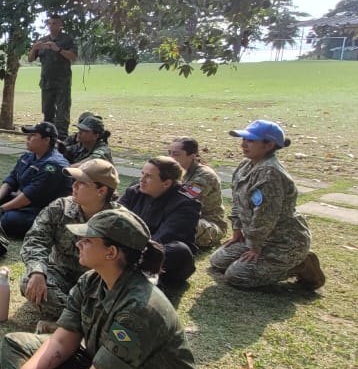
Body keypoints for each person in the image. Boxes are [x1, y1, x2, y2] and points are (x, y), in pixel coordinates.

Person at [0, 208, 198, 369]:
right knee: (15, 344)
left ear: (111, 252)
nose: (79, 243)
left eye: (88, 240)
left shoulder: (139, 306)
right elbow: (62, 341)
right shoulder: (92, 281)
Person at [209, 120, 324, 290]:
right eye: (243, 140)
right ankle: (264, 260)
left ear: (269, 145)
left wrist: (254, 247)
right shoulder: (246, 165)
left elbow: (266, 216)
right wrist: (237, 231)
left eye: (250, 141)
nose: (243, 144)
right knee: (218, 262)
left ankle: (301, 263)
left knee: (237, 276)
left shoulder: (270, 174)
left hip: (282, 242)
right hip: (255, 237)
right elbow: (237, 200)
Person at [21, 159, 122, 332]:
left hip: (96, 283)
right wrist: (37, 271)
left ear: (102, 190)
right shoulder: (61, 207)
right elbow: (36, 239)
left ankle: (68, 325)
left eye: (82, 183)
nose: (74, 186)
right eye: (74, 181)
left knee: (117, 307)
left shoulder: (118, 221)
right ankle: (88, 326)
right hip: (60, 275)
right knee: (28, 282)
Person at [118, 157, 200, 286]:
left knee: (179, 250)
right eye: (142, 174)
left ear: (166, 183)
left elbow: (164, 237)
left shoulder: (185, 204)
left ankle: (135, 275)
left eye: (149, 177)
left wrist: (129, 252)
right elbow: (115, 218)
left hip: (160, 254)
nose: (142, 180)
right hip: (132, 247)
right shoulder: (134, 191)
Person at [0, 121, 71, 239]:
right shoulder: (28, 156)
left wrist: (0, 209)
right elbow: (11, 180)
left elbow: (29, 196)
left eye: (33, 135)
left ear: (46, 140)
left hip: (46, 210)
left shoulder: (53, 165)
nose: (28, 138)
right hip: (29, 203)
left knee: (8, 220)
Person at [168, 137, 228, 248]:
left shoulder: (205, 176)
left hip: (208, 224)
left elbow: (180, 201)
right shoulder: (175, 171)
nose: (171, 158)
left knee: (180, 222)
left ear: (192, 156)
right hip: (182, 216)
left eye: (176, 154)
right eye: (169, 153)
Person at [26, 14, 78, 137]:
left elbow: (73, 56)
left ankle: (62, 138)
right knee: (47, 111)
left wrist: (58, 49)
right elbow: (30, 59)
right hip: (46, 81)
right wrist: (34, 49)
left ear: (60, 25)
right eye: (49, 23)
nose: (51, 26)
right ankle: (47, 137)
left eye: (54, 23)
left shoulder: (67, 39)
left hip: (62, 82)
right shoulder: (43, 40)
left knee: (62, 112)